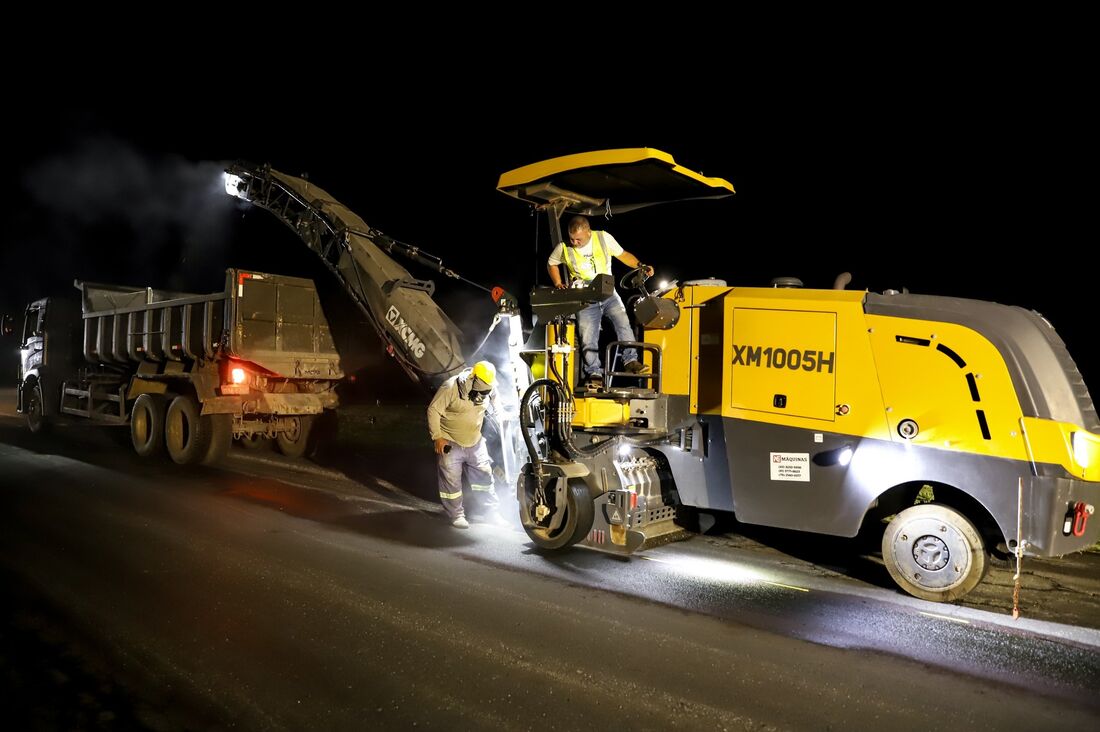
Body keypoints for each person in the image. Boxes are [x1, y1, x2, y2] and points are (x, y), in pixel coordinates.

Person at [546, 216, 654, 389]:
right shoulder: (563, 247)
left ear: (588, 232)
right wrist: (558, 283)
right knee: (588, 334)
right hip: (585, 293)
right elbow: (552, 263)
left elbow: (623, 255)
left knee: (623, 321)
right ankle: (594, 373)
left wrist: (641, 265)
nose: (575, 242)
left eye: (578, 239)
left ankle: (631, 361)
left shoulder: (603, 238)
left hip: (606, 289)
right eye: (572, 238)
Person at [426, 360, 503, 529]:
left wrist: (500, 414)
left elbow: (495, 398)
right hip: (451, 442)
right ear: (473, 379)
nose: (485, 392)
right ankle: (456, 515)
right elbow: (433, 410)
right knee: (451, 481)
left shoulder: (489, 387)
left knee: (484, 477)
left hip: (475, 441)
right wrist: (438, 437)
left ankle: (491, 513)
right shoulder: (451, 387)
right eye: (483, 388)